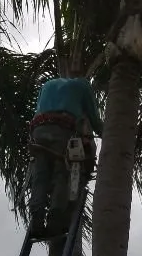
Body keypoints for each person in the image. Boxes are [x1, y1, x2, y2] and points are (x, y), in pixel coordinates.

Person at [28, 75, 103, 239]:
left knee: (40, 176)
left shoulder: (47, 85)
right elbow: (94, 119)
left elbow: (38, 109)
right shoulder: (83, 87)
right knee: (63, 172)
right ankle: (55, 221)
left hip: (38, 130)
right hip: (62, 128)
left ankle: (36, 220)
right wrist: (107, 134)